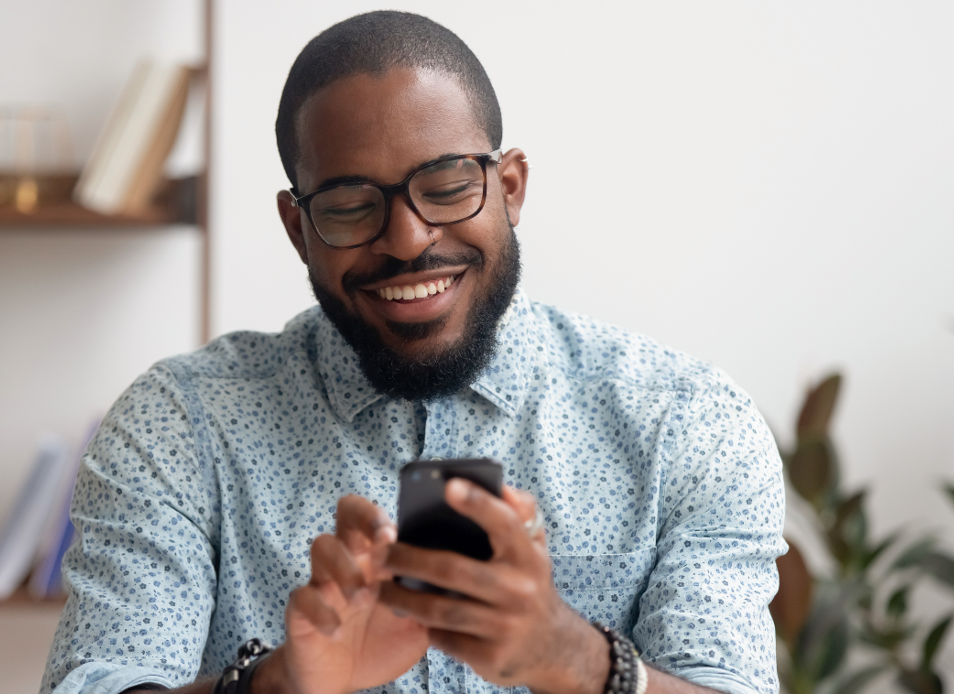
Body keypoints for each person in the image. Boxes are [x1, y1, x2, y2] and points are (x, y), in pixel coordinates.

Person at [40, 11, 786, 694]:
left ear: (511, 188)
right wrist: (275, 686)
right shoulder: (180, 426)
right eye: (349, 205)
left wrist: (577, 659)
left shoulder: (687, 425)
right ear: (298, 228)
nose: (407, 239)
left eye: (448, 185)